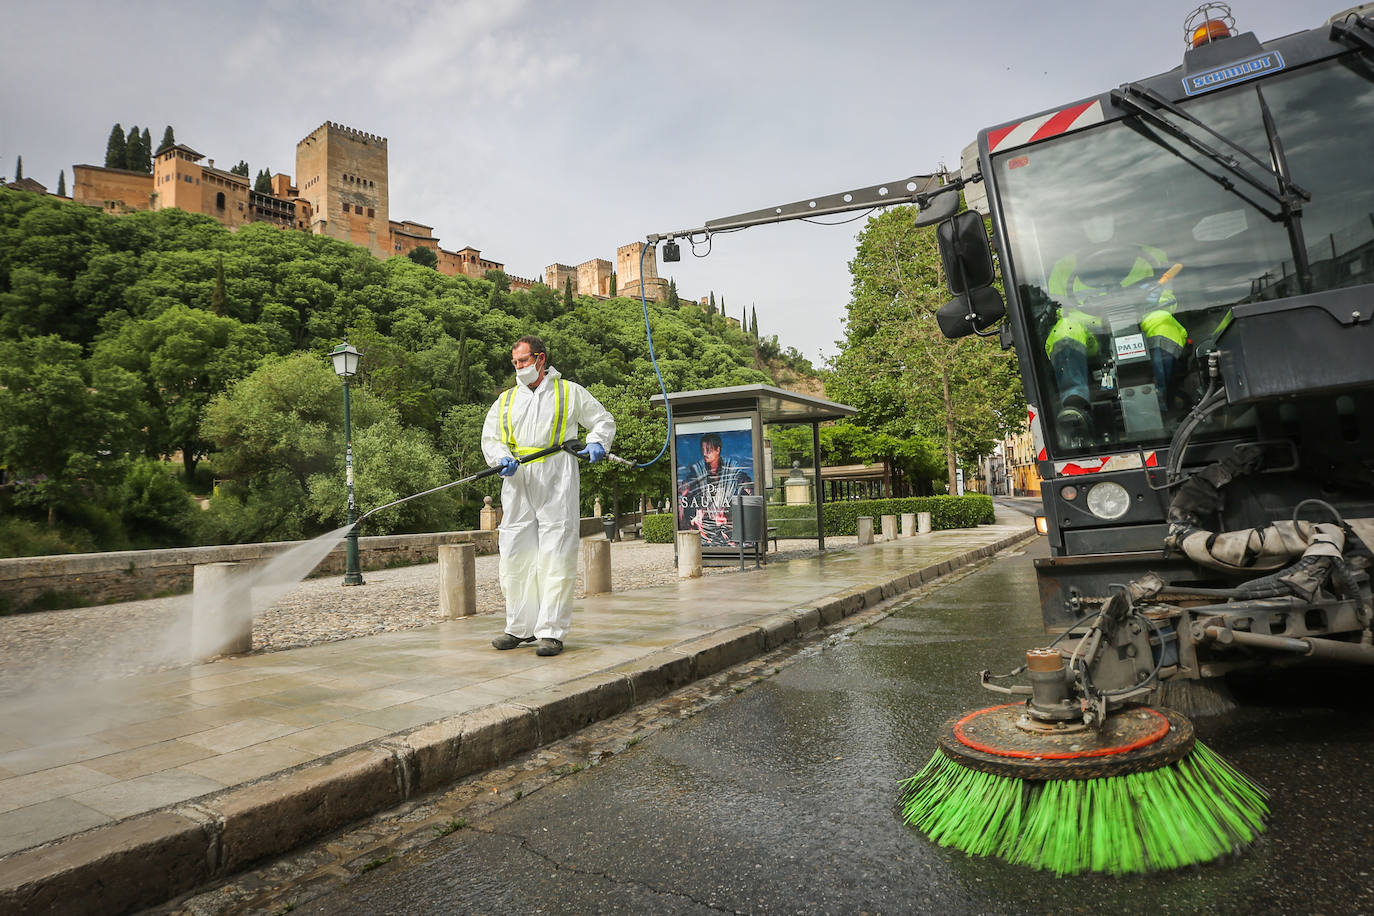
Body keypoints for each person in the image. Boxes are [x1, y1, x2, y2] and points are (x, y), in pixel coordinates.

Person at [481, 335, 615, 657]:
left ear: (540, 359)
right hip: (518, 477)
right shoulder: (506, 400)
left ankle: (551, 631)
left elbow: (602, 420)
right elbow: (491, 437)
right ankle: (519, 627)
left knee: (556, 550)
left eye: (523, 361)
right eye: (514, 363)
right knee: (514, 551)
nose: (518, 368)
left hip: (557, 473)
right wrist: (500, 458)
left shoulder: (568, 392)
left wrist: (597, 442)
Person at [1043, 214, 1188, 442]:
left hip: (1141, 318)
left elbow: (1167, 298)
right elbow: (1062, 311)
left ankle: (1159, 394)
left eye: (1104, 216)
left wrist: (1144, 301)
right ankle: (1076, 403)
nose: (1098, 223)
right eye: (1090, 218)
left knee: (1164, 323)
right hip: (1093, 330)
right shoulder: (1064, 267)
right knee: (1066, 329)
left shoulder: (1152, 256)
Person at [676, 433, 754, 546]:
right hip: (705, 522)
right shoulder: (698, 470)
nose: (704, 453)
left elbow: (746, 483)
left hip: (727, 521)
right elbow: (685, 487)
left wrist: (748, 490)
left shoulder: (731, 467)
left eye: (708, 450)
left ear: (718, 450)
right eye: (703, 450)